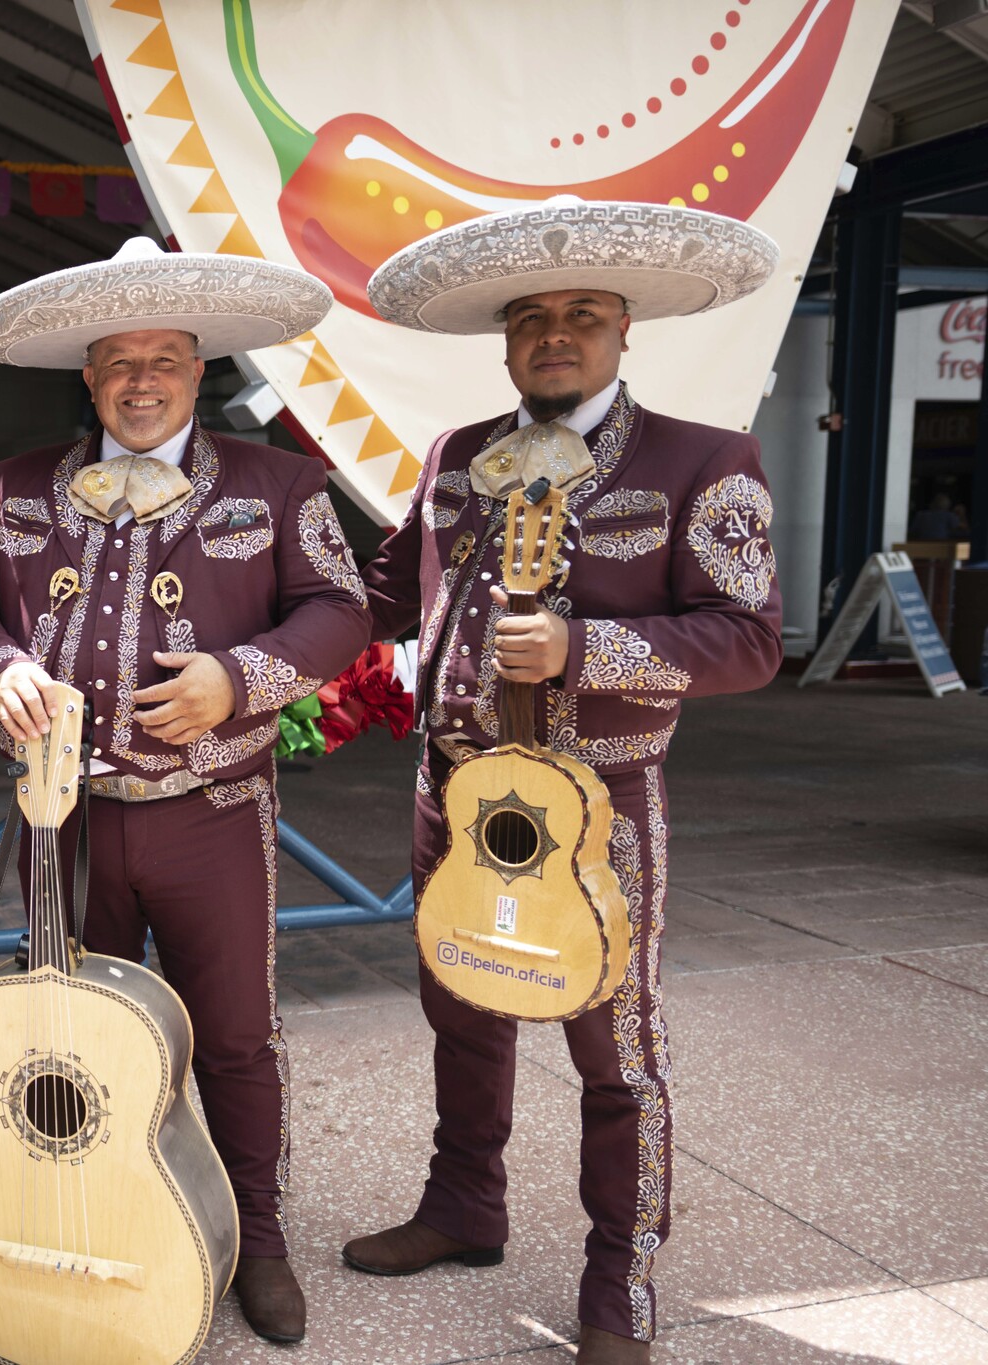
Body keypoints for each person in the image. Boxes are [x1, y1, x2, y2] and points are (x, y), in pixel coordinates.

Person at [347, 199, 785, 1364]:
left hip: (601, 808)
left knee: (614, 1052)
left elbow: (747, 641)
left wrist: (586, 648)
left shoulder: (706, 458)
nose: (555, 334)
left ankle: (618, 1286)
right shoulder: (455, 458)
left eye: (581, 315)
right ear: (503, 340)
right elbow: (381, 594)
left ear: (623, 329)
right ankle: (462, 1207)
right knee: (461, 1003)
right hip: (451, 788)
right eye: (531, 318)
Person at [0, 236, 372, 1345]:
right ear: (87, 376)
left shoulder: (282, 483)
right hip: (61, 817)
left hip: (213, 813)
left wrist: (236, 680)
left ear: (196, 368)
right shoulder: (11, 482)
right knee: (65, 1036)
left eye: (164, 359)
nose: (141, 381)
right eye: (118, 361)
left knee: (230, 1034)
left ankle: (257, 1240)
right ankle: (79, 1212)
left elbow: (339, 611)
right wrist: (1, 668)